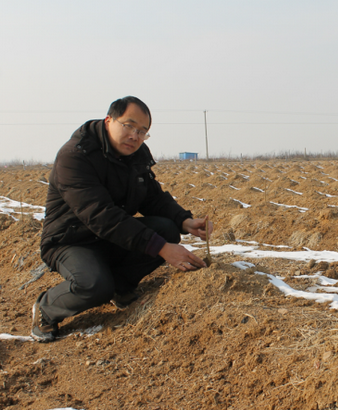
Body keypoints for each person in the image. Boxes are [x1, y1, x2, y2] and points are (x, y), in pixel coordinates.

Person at [32, 96, 212, 342]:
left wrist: (185, 221)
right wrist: (161, 249)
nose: (135, 136)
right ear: (109, 120)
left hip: (110, 237)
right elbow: (101, 215)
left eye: (142, 131)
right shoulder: (75, 156)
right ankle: (46, 308)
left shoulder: (136, 154)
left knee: (167, 229)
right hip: (71, 240)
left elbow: (152, 196)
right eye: (129, 126)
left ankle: (120, 286)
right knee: (95, 285)